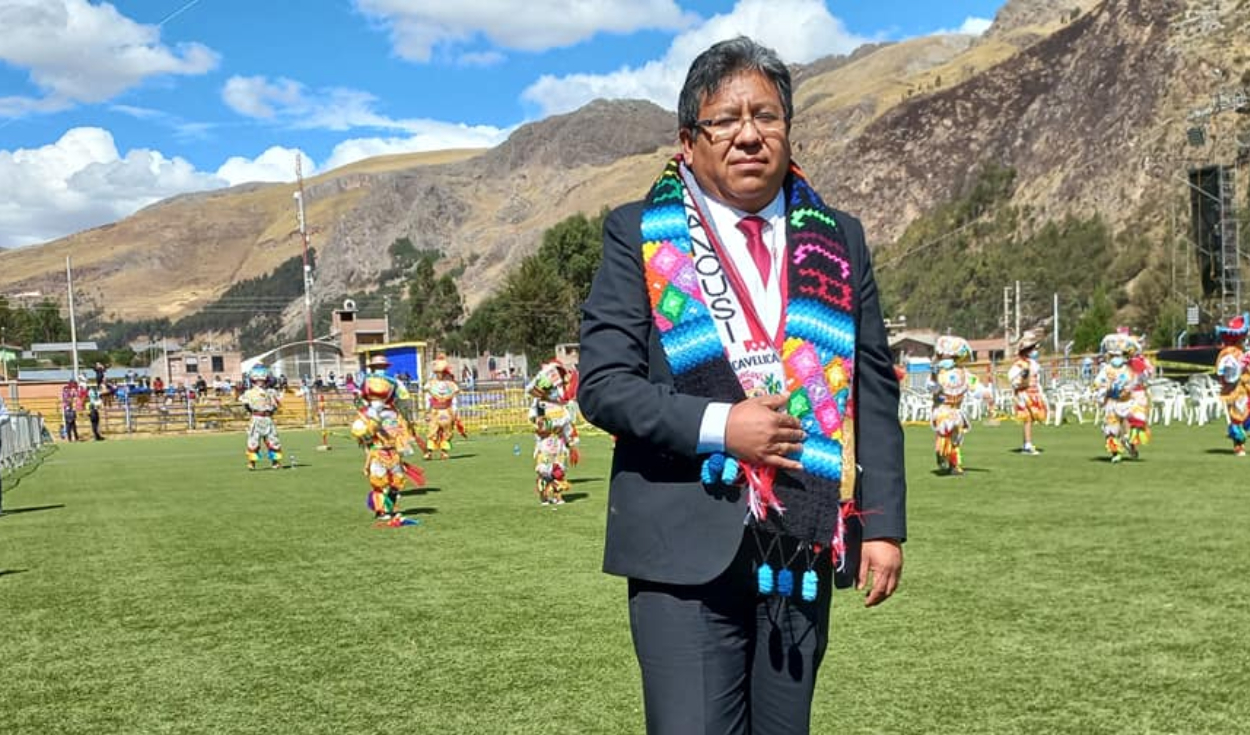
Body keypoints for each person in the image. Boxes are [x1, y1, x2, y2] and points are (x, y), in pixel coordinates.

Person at [577, 37, 905, 735]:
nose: (750, 134)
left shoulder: (837, 239)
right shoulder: (637, 233)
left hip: (801, 541)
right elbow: (604, 385)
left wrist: (881, 524)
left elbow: (873, 385)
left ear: (788, 129)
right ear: (688, 141)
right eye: (725, 119)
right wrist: (722, 426)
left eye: (767, 115)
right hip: (681, 548)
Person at [350, 363, 424, 523]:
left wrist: (405, 442)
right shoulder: (365, 414)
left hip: (394, 453)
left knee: (397, 482)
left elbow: (402, 430)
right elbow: (359, 431)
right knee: (379, 482)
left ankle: (390, 509)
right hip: (378, 452)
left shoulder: (394, 412)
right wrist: (370, 426)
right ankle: (380, 511)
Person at [526, 360, 581, 506]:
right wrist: (544, 424)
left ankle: (557, 496)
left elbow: (567, 426)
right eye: (551, 389)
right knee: (544, 471)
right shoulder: (539, 406)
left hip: (559, 443)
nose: (555, 391)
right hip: (545, 443)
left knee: (559, 470)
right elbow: (537, 423)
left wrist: (571, 444)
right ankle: (544, 496)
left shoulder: (563, 407)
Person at [1093, 332, 1147, 462]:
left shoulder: (1127, 369)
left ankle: (1128, 442)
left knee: (1133, 421)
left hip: (1126, 401)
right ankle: (1115, 452)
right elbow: (1098, 383)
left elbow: (1136, 380)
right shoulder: (1106, 369)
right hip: (1112, 402)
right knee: (1111, 428)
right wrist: (1104, 389)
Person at [928, 335, 973, 476]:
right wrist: (934, 376)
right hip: (942, 409)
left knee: (956, 438)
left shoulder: (963, 373)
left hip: (956, 410)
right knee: (944, 434)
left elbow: (975, 384)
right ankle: (942, 456)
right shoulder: (937, 372)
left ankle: (955, 465)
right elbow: (932, 388)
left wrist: (985, 394)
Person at [1215, 313, 1250, 455]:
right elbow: (1225, 372)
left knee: (1244, 415)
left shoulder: (1241, 352)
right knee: (1237, 417)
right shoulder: (1229, 353)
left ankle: (1239, 442)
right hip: (1235, 390)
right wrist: (1241, 366)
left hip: (1245, 389)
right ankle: (1238, 446)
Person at [1008, 330, 1047, 454]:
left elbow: (1036, 378)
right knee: (1027, 419)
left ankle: (1027, 443)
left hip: (1033, 393)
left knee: (1030, 419)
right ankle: (1027, 444)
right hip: (1025, 394)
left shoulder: (1033, 364)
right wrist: (1022, 378)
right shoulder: (1019, 365)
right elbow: (1014, 380)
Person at [240, 365, 284, 470]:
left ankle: (275, 462)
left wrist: (270, 412)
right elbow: (246, 405)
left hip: (268, 419)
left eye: (262, 380)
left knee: (273, 441)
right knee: (253, 441)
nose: (260, 382)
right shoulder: (249, 392)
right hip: (256, 418)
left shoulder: (271, 392)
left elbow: (276, 405)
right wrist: (254, 413)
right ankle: (252, 462)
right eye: (257, 380)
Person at [422, 354, 463, 460]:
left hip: (446, 411)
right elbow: (428, 398)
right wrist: (427, 410)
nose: (440, 375)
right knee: (432, 431)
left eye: (441, 372)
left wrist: (455, 412)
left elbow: (454, 400)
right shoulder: (431, 384)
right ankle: (429, 452)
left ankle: (444, 452)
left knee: (447, 432)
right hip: (435, 411)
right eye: (438, 373)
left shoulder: (451, 384)